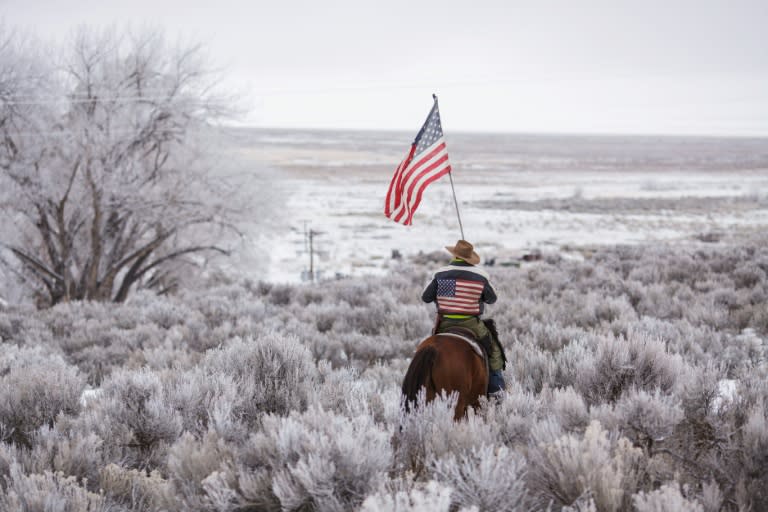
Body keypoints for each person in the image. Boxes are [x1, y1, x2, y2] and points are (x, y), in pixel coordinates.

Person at [421, 239, 506, 398]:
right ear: (469, 257)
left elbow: (425, 297)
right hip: (471, 323)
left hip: (444, 324)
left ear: (454, 255)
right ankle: (496, 390)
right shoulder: (480, 275)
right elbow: (492, 299)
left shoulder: (440, 274)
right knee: (494, 351)